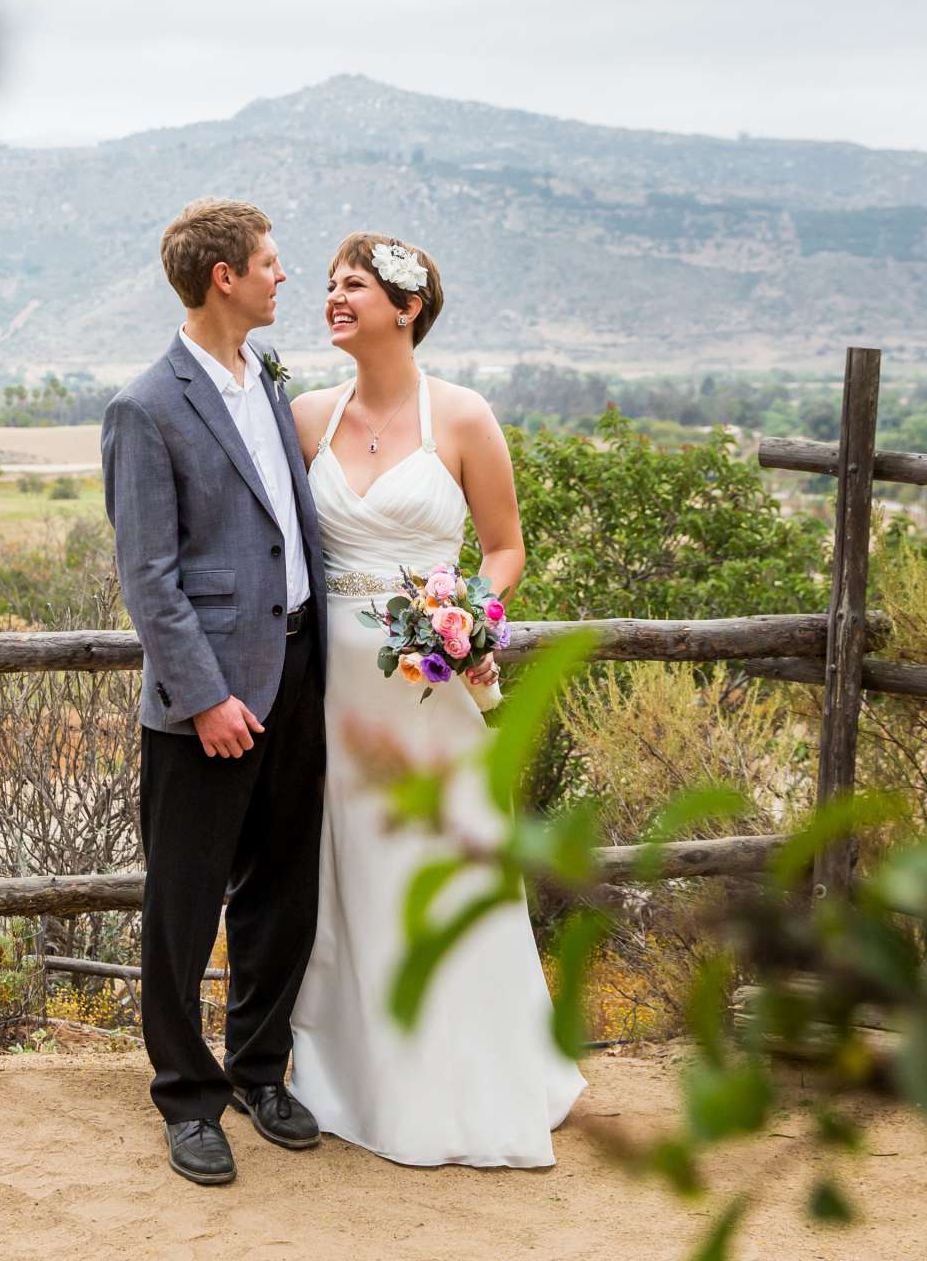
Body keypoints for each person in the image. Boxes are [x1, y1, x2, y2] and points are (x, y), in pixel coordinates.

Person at [287, 232, 587, 1167]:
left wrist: (467, 621)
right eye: (332, 286)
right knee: (353, 874)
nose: (334, 298)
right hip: (332, 687)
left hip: (433, 684)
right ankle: (354, 1071)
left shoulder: (463, 417)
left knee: (443, 869)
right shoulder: (304, 418)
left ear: (407, 306)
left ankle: (466, 1071)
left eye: (355, 286)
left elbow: (505, 549)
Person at [100, 198, 329, 1187]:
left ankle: (258, 1071)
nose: (287, 276)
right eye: (272, 263)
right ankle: (187, 1100)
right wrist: (203, 697)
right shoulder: (146, 407)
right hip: (210, 702)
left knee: (284, 890)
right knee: (184, 907)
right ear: (222, 277)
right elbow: (148, 575)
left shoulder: (266, 378)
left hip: (299, 669)